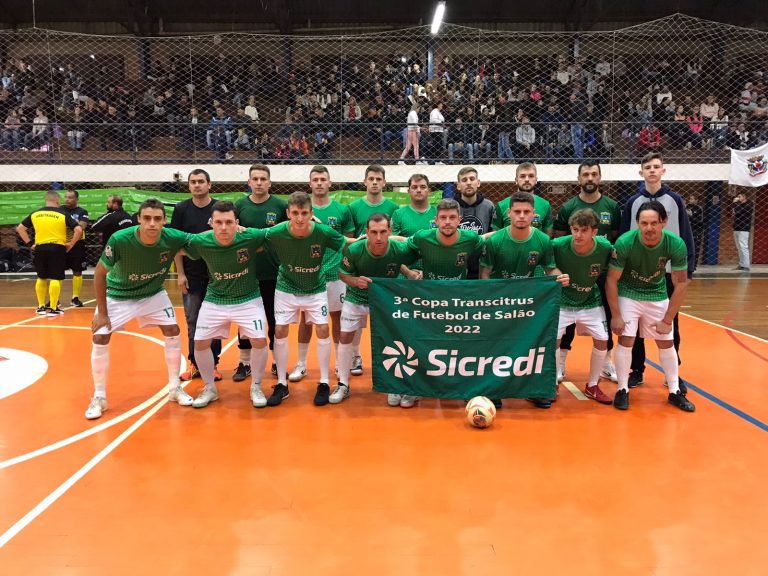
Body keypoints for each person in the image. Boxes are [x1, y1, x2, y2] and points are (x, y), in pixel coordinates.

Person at [85, 198, 192, 420]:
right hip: (118, 294)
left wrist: (236, 230)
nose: (152, 223)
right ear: (138, 219)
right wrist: (102, 313)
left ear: (164, 221)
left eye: (157, 219)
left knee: (172, 330)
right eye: (147, 218)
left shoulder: (173, 237)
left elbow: (202, 240)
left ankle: (174, 388)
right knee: (100, 337)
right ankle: (99, 397)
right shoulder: (120, 239)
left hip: (152, 293)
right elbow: (99, 274)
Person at [479, 191, 569, 409]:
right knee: (497, 347)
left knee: (534, 344)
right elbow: (484, 274)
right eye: (517, 211)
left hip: (529, 303)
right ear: (508, 213)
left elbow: (550, 269)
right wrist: (491, 302)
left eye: (526, 212)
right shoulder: (495, 241)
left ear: (533, 214)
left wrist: (560, 276)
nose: (521, 216)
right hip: (500, 303)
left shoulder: (543, 240)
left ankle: (535, 390)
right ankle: (494, 390)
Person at [264, 191, 352, 407]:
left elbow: (347, 244)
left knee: (323, 328)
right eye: (295, 213)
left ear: (311, 213)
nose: (300, 218)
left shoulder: (323, 232)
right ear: (288, 213)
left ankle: (324, 382)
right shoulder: (276, 232)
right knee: (280, 330)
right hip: (286, 287)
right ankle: (282, 383)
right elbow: (253, 236)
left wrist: (376, 243)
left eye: (304, 213)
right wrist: (238, 230)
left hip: (315, 287)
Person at [606, 201, 695, 412]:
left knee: (666, 341)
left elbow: (681, 283)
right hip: (629, 293)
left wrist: (668, 320)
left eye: (654, 223)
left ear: (664, 222)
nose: (649, 228)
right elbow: (611, 279)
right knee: (626, 339)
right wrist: (616, 315)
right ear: (637, 223)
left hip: (657, 293)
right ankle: (622, 389)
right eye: (644, 223)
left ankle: (674, 391)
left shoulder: (675, 243)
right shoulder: (625, 242)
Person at [180, 201, 271, 408]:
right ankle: (209, 388)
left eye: (229, 222)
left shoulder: (250, 236)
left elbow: (275, 233)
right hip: (216, 298)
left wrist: (306, 222)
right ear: (211, 223)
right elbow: (175, 244)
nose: (223, 227)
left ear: (237, 223)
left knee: (259, 340)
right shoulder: (201, 240)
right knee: (200, 343)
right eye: (219, 222)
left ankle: (256, 386)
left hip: (248, 298)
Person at [619, 152, 695, 390]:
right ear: (641, 172)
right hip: (636, 272)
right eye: (648, 167)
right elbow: (623, 235)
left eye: (656, 166)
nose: (652, 170)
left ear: (663, 170)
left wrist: (689, 268)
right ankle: (637, 370)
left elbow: (686, 234)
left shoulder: (675, 200)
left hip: (669, 271)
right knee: (634, 325)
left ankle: (673, 373)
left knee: (671, 322)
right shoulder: (633, 202)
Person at [404, 198, 486, 408]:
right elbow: (398, 251)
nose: (447, 222)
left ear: (459, 219)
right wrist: (409, 272)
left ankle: (463, 387)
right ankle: (415, 388)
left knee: (460, 346)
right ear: (436, 220)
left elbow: (489, 241)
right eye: (443, 218)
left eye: (451, 217)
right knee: (423, 344)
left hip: (458, 302)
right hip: (429, 302)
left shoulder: (471, 239)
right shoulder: (422, 237)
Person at [333, 213, 419, 405]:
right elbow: (342, 274)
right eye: (373, 232)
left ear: (389, 231)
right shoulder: (355, 250)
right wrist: (355, 281)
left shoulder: (399, 249)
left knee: (396, 338)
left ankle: (395, 385)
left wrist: (413, 272)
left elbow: (420, 251)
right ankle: (343, 384)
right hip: (356, 297)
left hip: (385, 299)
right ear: (367, 232)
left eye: (382, 232)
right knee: (345, 336)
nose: (378, 237)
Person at [553, 162, 621, 382]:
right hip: (572, 271)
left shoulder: (612, 206)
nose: (590, 178)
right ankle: (560, 364)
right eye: (585, 174)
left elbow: (617, 237)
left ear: (599, 177)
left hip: (601, 272)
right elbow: (559, 241)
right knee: (567, 322)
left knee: (604, 319)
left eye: (594, 174)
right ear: (579, 178)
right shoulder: (568, 207)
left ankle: (606, 362)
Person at [288, 166, 355, 384]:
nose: (319, 183)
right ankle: (301, 364)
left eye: (322, 179)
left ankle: (339, 363)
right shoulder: (302, 210)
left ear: (329, 183)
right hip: (310, 274)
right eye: (315, 179)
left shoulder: (342, 210)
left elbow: (347, 244)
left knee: (337, 318)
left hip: (335, 274)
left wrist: (345, 270)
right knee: (306, 320)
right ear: (310, 183)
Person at [552, 209, 614, 404]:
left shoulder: (605, 247)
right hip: (562, 300)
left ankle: (592, 386)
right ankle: (551, 384)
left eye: (584, 230)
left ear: (594, 232)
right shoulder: (558, 245)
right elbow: (545, 263)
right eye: (575, 229)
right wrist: (555, 272)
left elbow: (617, 263)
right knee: (553, 340)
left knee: (602, 340)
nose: (578, 235)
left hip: (590, 300)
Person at [233, 164, 288, 382]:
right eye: (255, 179)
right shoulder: (240, 206)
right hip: (246, 273)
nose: (259, 182)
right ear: (249, 182)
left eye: (263, 179)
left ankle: (276, 361)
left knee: (275, 321)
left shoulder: (280, 205)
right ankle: (244, 362)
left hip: (274, 273)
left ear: (269, 182)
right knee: (245, 320)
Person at [170, 169, 222, 382]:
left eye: (201, 181)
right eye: (193, 182)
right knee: (193, 320)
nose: (197, 185)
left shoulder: (218, 208)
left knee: (215, 322)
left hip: (216, 275)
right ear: (189, 185)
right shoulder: (181, 209)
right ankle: (194, 363)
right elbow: (175, 243)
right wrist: (180, 274)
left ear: (209, 184)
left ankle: (213, 364)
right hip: (191, 274)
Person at [16, 190, 82, 316]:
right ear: (57, 201)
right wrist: (71, 244)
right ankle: (53, 308)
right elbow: (78, 229)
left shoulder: (36, 213)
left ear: (46, 200)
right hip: (57, 248)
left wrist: (30, 244)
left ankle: (41, 307)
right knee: (56, 278)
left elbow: (20, 228)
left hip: (40, 247)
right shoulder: (62, 214)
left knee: (41, 277)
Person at [454, 166, 495, 279]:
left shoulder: (489, 206)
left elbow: (495, 235)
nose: (468, 183)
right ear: (458, 185)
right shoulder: (451, 206)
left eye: (472, 179)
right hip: (456, 264)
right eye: (464, 180)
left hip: (482, 264)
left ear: (478, 183)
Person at [492, 162, 553, 237]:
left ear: (536, 180)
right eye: (522, 176)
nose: (527, 179)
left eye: (531, 176)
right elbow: (495, 235)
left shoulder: (545, 205)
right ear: (516, 180)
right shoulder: (502, 205)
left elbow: (548, 236)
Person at [348, 164, 400, 236]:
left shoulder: (394, 208)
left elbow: (394, 236)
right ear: (365, 182)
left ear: (384, 182)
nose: (375, 182)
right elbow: (349, 237)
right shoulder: (353, 207)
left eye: (378, 179)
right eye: (371, 179)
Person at [62, 188, 89, 307]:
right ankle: (55, 299)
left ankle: (75, 297)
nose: (67, 199)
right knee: (57, 270)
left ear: (77, 199)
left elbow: (82, 226)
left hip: (77, 244)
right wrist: (73, 224)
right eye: (66, 197)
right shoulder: (59, 210)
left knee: (77, 271)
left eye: (70, 197)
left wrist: (67, 224)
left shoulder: (82, 211)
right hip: (62, 243)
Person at [732, 192, 753, 272]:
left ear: (744, 196)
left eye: (739, 196)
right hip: (736, 227)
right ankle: (741, 264)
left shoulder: (749, 205)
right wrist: (735, 204)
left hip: (744, 229)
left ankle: (746, 265)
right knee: (739, 247)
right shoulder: (739, 205)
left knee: (743, 246)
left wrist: (735, 203)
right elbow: (733, 212)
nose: (738, 198)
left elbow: (738, 212)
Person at [686, 194, 705, 266]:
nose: (690, 200)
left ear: (696, 200)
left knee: (695, 247)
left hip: (697, 230)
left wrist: (691, 215)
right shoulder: (687, 207)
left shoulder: (699, 208)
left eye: (692, 199)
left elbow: (700, 221)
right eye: (690, 199)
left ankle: (694, 264)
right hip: (688, 230)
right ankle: (687, 263)